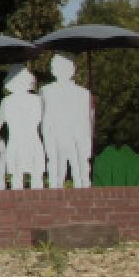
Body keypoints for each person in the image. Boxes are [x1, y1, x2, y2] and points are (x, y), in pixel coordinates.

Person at [41, 53, 94, 190]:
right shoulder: (46, 91)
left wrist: (87, 143)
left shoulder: (83, 93)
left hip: (76, 139)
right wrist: (47, 140)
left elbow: (86, 121)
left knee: (81, 178)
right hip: (57, 138)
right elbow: (45, 118)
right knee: (56, 178)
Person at [0, 66, 45, 189]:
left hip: (16, 143)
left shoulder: (6, 102)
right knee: (36, 177)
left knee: (17, 178)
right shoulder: (38, 100)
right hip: (33, 142)